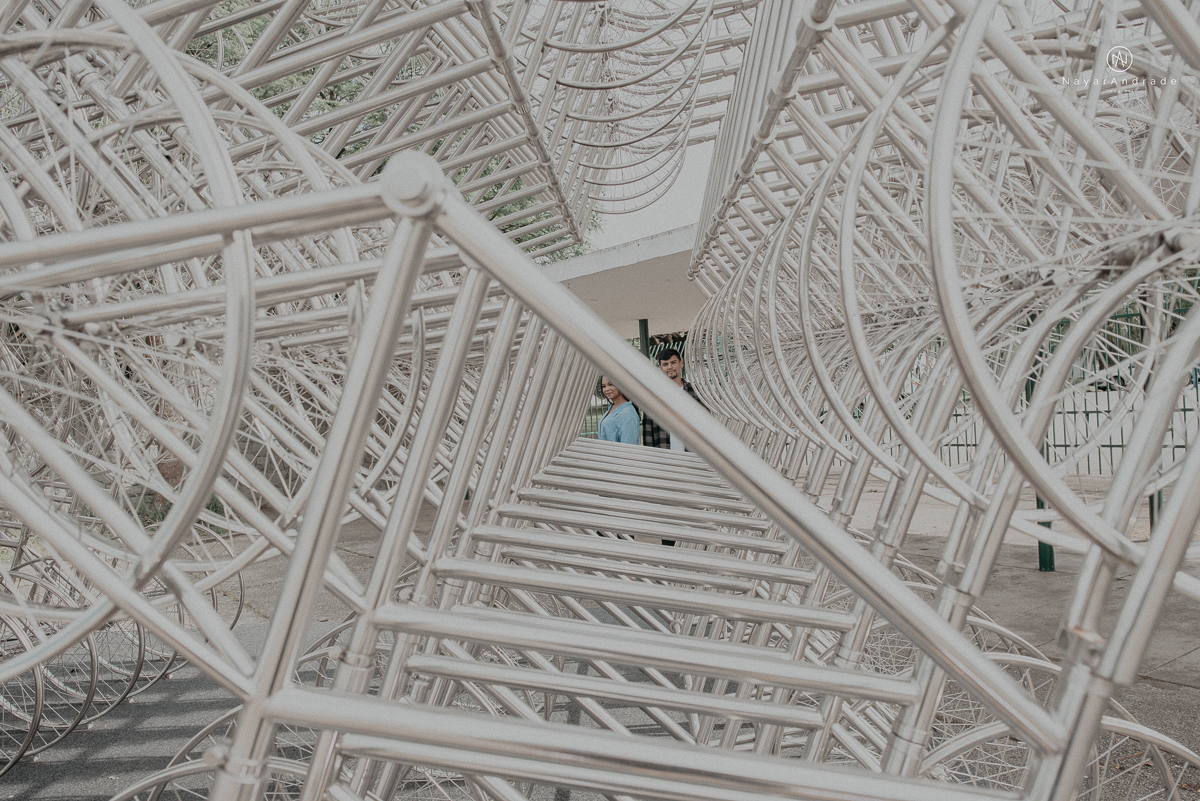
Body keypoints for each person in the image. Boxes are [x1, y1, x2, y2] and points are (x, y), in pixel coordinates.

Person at [642, 347, 703, 451]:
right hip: (664, 457)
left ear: (681, 363)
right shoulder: (653, 396)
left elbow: (705, 426)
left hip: (692, 455)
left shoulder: (696, 393)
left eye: (673, 362)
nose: (670, 367)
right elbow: (648, 431)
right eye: (665, 364)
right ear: (660, 368)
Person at [597, 376, 640, 444]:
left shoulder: (628, 413)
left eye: (610, 384)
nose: (606, 389)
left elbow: (629, 446)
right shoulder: (613, 407)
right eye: (603, 386)